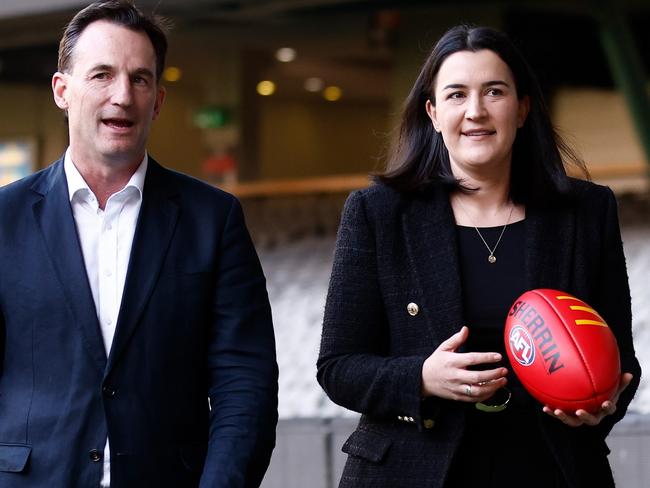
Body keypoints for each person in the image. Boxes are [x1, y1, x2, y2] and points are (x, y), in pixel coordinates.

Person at [317, 24, 641, 488]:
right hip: (411, 471)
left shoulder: (586, 211)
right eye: (455, 95)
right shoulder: (378, 212)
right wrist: (422, 378)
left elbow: (619, 357)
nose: (475, 111)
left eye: (494, 91)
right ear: (432, 113)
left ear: (523, 107)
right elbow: (338, 366)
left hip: (551, 468)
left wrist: (599, 406)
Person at [0, 1, 278, 487]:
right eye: (102, 75)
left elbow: (245, 384)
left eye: (140, 79)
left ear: (159, 100)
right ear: (62, 91)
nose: (123, 96)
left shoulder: (213, 219)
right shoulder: (5, 219)